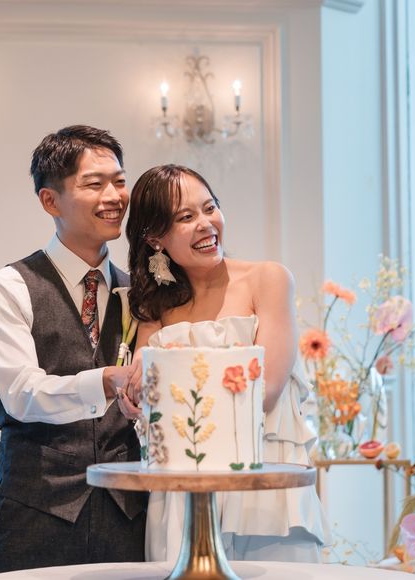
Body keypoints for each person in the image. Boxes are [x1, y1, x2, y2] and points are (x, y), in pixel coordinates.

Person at [125, 164, 330, 562]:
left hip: (264, 484)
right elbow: (141, 389)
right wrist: (130, 396)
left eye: (210, 207)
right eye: (186, 217)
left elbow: (266, 390)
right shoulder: (153, 305)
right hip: (182, 492)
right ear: (155, 239)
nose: (206, 224)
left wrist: (170, 390)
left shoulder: (268, 279)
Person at [0, 125, 146, 574]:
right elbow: (22, 394)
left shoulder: (140, 294)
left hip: (129, 513)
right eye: (94, 184)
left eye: (119, 181)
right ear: (50, 201)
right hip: (35, 513)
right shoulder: (8, 288)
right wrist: (106, 379)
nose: (114, 196)